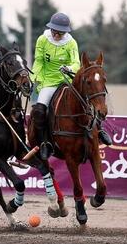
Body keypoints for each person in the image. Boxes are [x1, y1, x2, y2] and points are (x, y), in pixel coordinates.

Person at [30, 12, 112, 160]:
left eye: (60, 33)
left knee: (88, 100)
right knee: (40, 110)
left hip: (67, 80)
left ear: (65, 32)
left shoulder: (71, 42)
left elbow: (75, 62)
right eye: (54, 32)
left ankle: (100, 130)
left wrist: (69, 68)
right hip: (49, 83)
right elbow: (39, 62)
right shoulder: (42, 40)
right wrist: (36, 79)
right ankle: (44, 144)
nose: (56, 35)